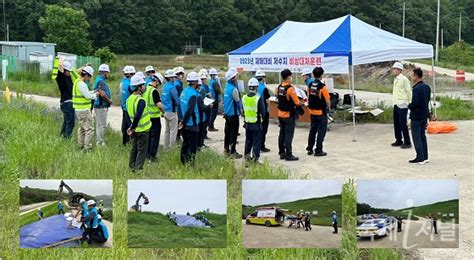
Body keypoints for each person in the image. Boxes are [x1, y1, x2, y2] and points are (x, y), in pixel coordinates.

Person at [126, 74, 151, 172]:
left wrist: (131, 127)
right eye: (143, 85)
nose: (145, 87)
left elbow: (127, 115)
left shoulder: (129, 99)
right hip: (143, 130)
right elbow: (137, 116)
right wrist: (133, 127)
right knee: (142, 151)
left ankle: (131, 166)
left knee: (134, 149)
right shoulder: (141, 100)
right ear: (139, 87)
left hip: (135, 129)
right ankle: (138, 169)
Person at [277, 69, 301, 161]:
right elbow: (296, 102)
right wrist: (301, 102)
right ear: (289, 77)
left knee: (282, 134)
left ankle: (282, 153)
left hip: (280, 114)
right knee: (288, 135)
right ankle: (289, 154)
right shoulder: (290, 89)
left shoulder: (279, 87)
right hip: (288, 115)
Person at [72, 65, 99, 151]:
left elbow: (84, 93)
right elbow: (87, 96)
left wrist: (92, 91)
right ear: (87, 75)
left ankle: (81, 144)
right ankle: (87, 147)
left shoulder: (77, 82)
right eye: (90, 77)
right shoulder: (82, 84)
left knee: (82, 128)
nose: (89, 79)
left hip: (78, 109)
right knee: (90, 129)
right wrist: (96, 95)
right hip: (84, 110)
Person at [408, 68, 431, 165]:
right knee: (422, 136)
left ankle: (420, 157)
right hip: (424, 115)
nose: (411, 77)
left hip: (416, 116)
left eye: (412, 75)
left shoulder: (416, 89)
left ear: (416, 76)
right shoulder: (426, 87)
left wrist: (409, 105)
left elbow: (415, 104)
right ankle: (425, 156)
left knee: (416, 137)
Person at [179, 72, 202, 164]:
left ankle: (183, 162)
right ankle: (190, 164)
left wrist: (181, 121)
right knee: (192, 146)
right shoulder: (193, 94)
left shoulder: (184, 92)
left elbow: (180, 107)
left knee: (185, 143)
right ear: (195, 83)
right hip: (191, 124)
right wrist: (184, 122)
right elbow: (190, 110)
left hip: (184, 123)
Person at [306, 67, 330, 156]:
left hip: (312, 111)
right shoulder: (322, 87)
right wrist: (328, 107)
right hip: (320, 112)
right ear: (321, 75)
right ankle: (318, 150)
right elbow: (327, 100)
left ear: (313, 75)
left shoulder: (310, 85)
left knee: (312, 130)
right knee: (321, 131)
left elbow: (308, 96)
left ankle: (309, 148)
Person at [242, 78, 265, 163]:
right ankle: (255, 159)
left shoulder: (244, 98)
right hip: (256, 124)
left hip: (247, 124)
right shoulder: (258, 98)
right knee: (256, 142)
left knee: (248, 141)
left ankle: (247, 158)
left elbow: (243, 111)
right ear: (256, 87)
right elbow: (263, 112)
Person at [144, 73, 165, 161]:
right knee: (155, 138)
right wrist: (163, 112)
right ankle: (152, 157)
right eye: (159, 84)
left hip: (147, 117)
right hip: (155, 118)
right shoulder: (154, 91)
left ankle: (147, 154)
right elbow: (159, 105)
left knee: (148, 137)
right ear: (157, 82)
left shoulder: (145, 89)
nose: (159, 86)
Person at [391, 62, 412, 149]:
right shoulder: (395, 79)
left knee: (403, 124)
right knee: (396, 123)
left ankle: (407, 141)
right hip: (396, 103)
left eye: (394, 69)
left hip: (402, 104)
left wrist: (410, 103)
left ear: (399, 70)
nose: (392, 71)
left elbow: (409, 91)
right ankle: (398, 139)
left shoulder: (404, 79)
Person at [223, 69, 242, 159]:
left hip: (227, 114)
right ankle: (233, 152)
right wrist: (242, 111)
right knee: (233, 134)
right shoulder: (234, 89)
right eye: (235, 77)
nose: (236, 78)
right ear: (232, 79)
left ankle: (226, 150)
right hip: (233, 115)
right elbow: (238, 102)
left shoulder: (226, 88)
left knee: (227, 133)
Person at [93, 64, 113, 146]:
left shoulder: (99, 80)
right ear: (104, 72)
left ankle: (100, 140)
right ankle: (100, 142)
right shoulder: (101, 81)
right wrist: (109, 101)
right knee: (101, 125)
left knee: (100, 124)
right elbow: (102, 94)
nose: (108, 74)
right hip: (101, 106)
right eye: (108, 72)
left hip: (100, 105)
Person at [55, 60, 75, 139]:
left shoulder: (68, 78)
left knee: (66, 122)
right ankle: (66, 138)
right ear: (64, 71)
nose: (69, 73)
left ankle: (62, 136)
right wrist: (60, 60)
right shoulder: (61, 78)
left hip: (66, 103)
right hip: (67, 103)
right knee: (70, 123)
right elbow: (60, 69)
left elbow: (75, 72)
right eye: (68, 71)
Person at [162, 69, 181, 149]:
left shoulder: (165, 86)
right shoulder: (172, 88)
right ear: (170, 78)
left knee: (167, 130)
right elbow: (177, 101)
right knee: (173, 131)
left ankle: (166, 147)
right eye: (173, 77)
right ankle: (172, 148)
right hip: (172, 112)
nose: (175, 78)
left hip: (165, 111)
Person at [120, 65, 136, 145]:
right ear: (131, 74)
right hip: (129, 108)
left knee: (125, 125)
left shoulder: (123, 82)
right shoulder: (130, 84)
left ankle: (125, 142)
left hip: (123, 106)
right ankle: (131, 141)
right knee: (130, 125)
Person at [255, 70, 271, 153]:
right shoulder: (264, 89)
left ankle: (257, 145)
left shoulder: (255, 87)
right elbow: (268, 101)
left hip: (255, 111)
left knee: (258, 130)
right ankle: (262, 146)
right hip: (264, 112)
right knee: (264, 130)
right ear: (263, 78)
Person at [198, 72, 211, 147]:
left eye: (204, 79)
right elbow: (203, 99)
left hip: (203, 108)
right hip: (203, 108)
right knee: (203, 125)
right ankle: (201, 143)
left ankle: (201, 141)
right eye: (202, 79)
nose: (204, 80)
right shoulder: (202, 88)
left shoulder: (205, 87)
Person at [174, 66, 185, 141]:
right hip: (179, 106)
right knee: (180, 119)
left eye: (181, 74)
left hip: (178, 105)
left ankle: (178, 135)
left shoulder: (179, 83)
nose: (180, 76)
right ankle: (178, 135)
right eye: (178, 74)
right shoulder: (177, 85)